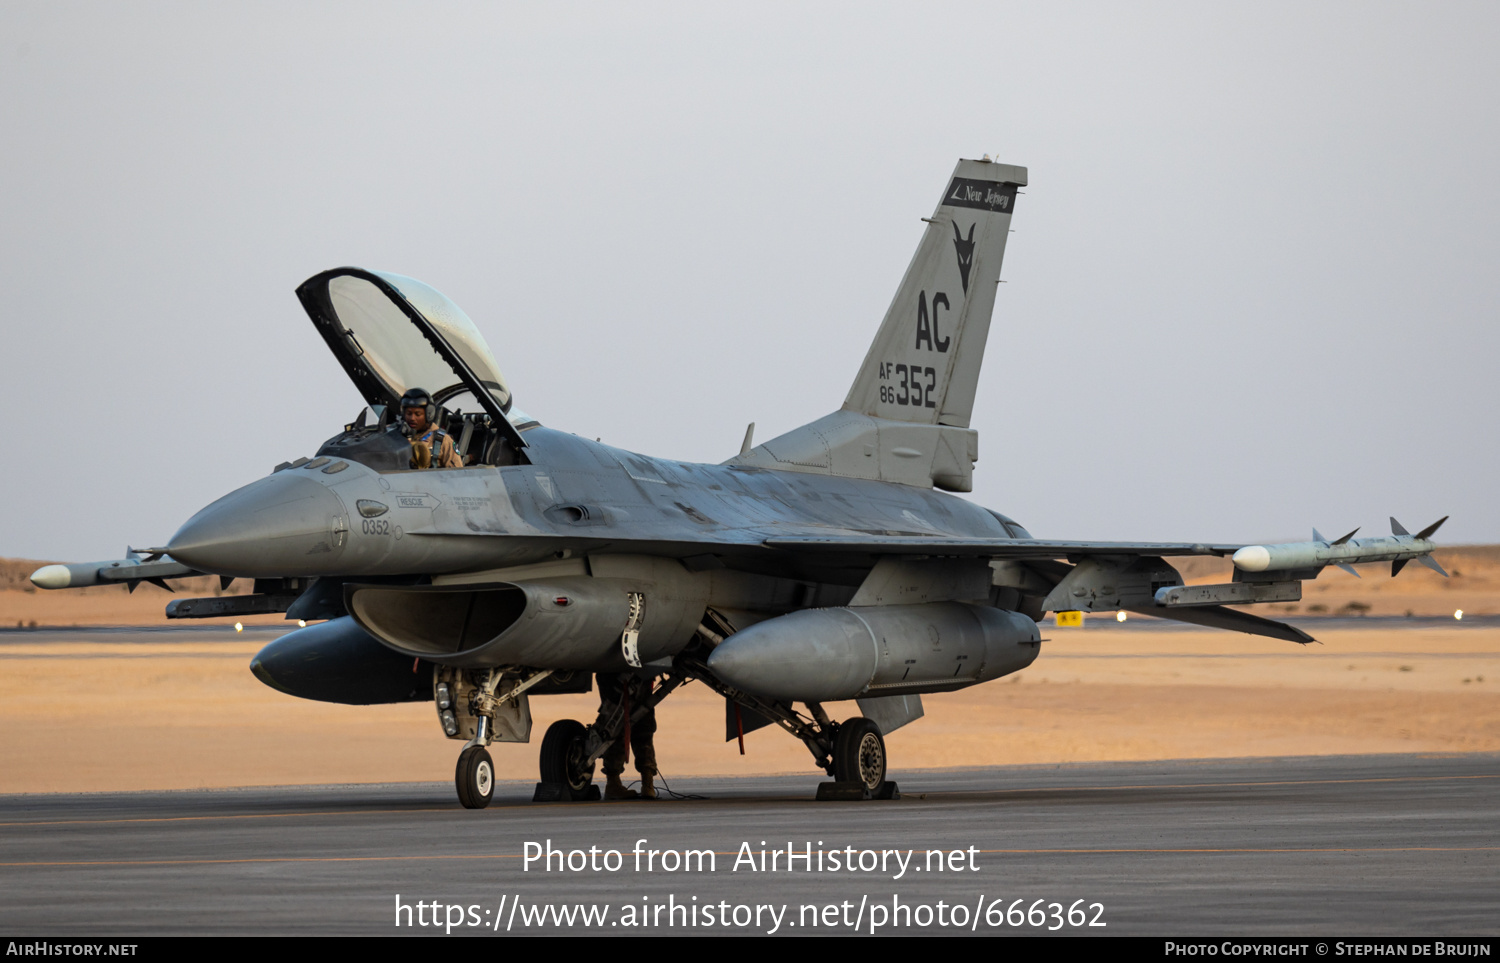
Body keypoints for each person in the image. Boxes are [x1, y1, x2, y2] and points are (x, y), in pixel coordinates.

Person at [596, 673, 657, 800]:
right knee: (620, 724)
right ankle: (646, 784)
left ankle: (615, 783)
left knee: (618, 724)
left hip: (613, 671)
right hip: (633, 671)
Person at [400, 388, 463, 469]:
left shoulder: (443, 440)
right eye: (408, 413)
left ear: (429, 414)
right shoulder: (395, 434)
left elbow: (457, 473)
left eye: (418, 414)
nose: (412, 418)